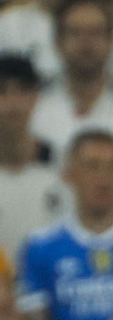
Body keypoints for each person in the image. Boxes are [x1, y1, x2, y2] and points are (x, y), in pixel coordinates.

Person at [17, 131, 113, 320]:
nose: (103, 178)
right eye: (92, 166)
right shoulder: (41, 247)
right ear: (69, 174)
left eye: (112, 167)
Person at [29, 0, 113, 169]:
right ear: (57, 42)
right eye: (75, 32)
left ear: (112, 42)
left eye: (95, 33)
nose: (86, 42)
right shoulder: (32, 112)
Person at [0, 57, 65, 267]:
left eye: (22, 91)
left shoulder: (60, 161)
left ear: (36, 97)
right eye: (2, 91)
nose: (12, 103)